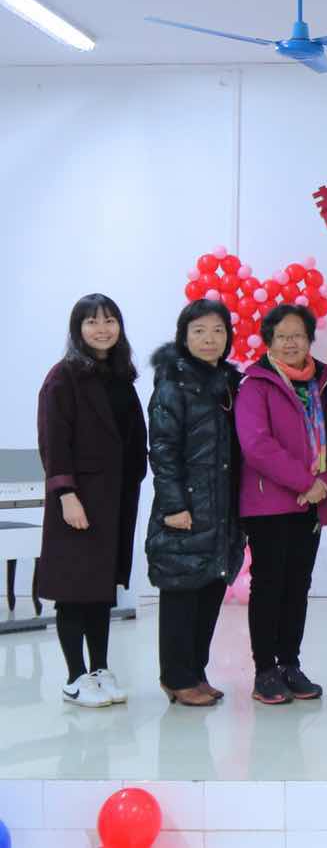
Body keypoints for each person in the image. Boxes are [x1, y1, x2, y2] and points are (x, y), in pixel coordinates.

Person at [37, 294, 147, 707]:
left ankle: (100, 669)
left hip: (113, 499)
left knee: (100, 590)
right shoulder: (63, 377)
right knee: (73, 589)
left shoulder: (120, 376)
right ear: (77, 329)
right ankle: (74, 677)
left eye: (110, 320)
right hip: (78, 499)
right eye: (92, 321)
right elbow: (54, 441)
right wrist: (66, 494)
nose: (102, 329)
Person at [145, 299, 245, 707]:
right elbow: (162, 449)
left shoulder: (228, 384)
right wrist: (173, 506)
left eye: (218, 331)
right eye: (199, 331)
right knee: (181, 593)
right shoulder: (173, 383)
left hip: (221, 509)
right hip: (185, 508)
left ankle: (196, 672)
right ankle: (176, 677)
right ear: (183, 337)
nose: (209, 339)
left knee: (209, 590)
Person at [235, 304, 327, 705]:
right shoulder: (255, 385)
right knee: (269, 586)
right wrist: (306, 482)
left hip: (311, 503)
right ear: (269, 342)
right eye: (282, 336)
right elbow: (257, 445)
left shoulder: (324, 382)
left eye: (298, 335)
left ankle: (290, 664)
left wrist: (324, 483)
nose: (291, 343)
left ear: (310, 339)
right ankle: (265, 671)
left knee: (298, 586)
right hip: (269, 504)